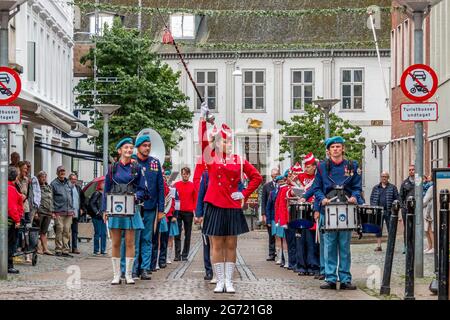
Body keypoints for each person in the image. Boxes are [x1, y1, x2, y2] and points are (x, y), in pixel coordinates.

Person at [200, 104, 263, 293]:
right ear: (218, 143)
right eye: (225, 142)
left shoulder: (238, 160)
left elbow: (257, 177)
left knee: (231, 244)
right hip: (215, 204)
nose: (228, 144)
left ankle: (229, 280)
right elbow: (203, 142)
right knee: (216, 244)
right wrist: (203, 121)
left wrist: (243, 193)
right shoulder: (211, 158)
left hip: (232, 205)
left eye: (230, 142)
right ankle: (219, 280)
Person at [309, 136, 363, 290]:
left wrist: (354, 196)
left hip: (346, 208)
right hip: (328, 208)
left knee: (345, 246)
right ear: (328, 150)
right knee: (330, 245)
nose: (336, 149)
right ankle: (331, 277)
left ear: (343, 149)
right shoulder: (321, 167)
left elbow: (357, 187)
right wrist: (321, 199)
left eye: (338, 147)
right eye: (333, 147)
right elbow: (316, 188)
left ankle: (345, 278)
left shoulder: (352, 166)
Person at [103, 137, 146, 285]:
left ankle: (128, 274)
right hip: (115, 208)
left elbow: (142, 189)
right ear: (120, 150)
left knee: (130, 242)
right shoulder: (112, 168)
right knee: (115, 243)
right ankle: (116, 275)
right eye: (126, 148)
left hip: (130, 207)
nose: (129, 150)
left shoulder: (136, 168)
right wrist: (105, 209)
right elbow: (106, 190)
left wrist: (136, 196)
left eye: (130, 148)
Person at [122, 135, 164, 280]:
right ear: (138, 147)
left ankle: (145, 268)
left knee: (147, 238)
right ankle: (132, 269)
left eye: (149, 145)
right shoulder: (131, 161)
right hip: (134, 206)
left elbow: (160, 187)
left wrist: (161, 210)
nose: (147, 148)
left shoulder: (155, 163)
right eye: (144, 145)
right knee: (133, 239)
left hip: (151, 206)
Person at [295, 153, 320, 277]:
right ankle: (301, 265)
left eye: (309, 166)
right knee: (301, 239)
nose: (306, 168)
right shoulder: (300, 177)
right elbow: (291, 187)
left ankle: (313, 265)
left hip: (313, 210)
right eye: (305, 166)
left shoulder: (318, 177)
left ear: (314, 167)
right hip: (301, 210)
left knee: (312, 241)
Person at [369, 171, 400, 252]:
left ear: (388, 178)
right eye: (382, 176)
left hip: (389, 211)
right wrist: (373, 207)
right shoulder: (376, 188)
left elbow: (397, 198)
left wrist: (394, 209)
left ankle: (391, 246)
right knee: (378, 229)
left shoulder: (392, 187)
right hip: (378, 212)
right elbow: (372, 198)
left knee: (391, 229)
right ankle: (379, 246)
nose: (384, 178)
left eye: (385, 176)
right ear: (380, 177)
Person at [174, 167, 197, 261]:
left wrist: (196, 214)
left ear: (189, 175)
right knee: (177, 233)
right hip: (178, 212)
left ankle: (185, 254)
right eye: (183, 174)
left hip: (188, 212)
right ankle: (177, 255)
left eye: (187, 174)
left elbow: (195, 200)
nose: (185, 175)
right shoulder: (176, 185)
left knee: (188, 234)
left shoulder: (192, 186)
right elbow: (173, 198)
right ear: (181, 174)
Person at [51, 166, 75, 257]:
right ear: (57, 173)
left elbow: (71, 196)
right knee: (59, 229)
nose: (62, 172)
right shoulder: (53, 184)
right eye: (60, 171)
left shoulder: (68, 183)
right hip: (58, 211)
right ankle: (58, 249)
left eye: (63, 171)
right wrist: (52, 211)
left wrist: (72, 209)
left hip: (69, 211)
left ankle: (65, 250)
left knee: (67, 230)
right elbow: (51, 198)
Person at [7, 166, 24, 274]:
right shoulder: (11, 188)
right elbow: (12, 207)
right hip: (11, 219)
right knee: (11, 242)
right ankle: (8, 265)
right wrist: (17, 220)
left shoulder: (8, 187)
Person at [261, 168, 280, 261]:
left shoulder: (281, 185)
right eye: (274, 175)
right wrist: (263, 214)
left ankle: (279, 253)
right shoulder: (266, 186)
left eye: (277, 174)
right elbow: (263, 201)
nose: (275, 176)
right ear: (271, 176)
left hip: (279, 214)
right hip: (270, 213)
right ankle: (272, 253)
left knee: (279, 234)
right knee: (271, 234)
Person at [36, 171, 54, 255]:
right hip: (40, 212)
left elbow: (51, 200)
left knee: (44, 231)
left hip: (48, 212)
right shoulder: (36, 187)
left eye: (44, 177)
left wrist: (52, 211)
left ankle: (45, 248)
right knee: (37, 231)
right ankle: (38, 248)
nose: (43, 178)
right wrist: (35, 212)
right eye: (42, 177)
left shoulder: (49, 187)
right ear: (38, 178)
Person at [68, 173, 86, 254]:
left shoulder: (78, 188)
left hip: (76, 213)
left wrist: (82, 208)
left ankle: (74, 247)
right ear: (69, 179)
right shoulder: (67, 188)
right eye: (72, 179)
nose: (74, 181)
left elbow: (82, 199)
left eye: (75, 179)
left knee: (75, 231)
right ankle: (67, 247)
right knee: (67, 231)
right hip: (68, 213)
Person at [400, 164, 416, 253]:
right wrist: (403, 207)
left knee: (416, 227)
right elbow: (401, 196)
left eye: (413, 170)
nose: (411, 171)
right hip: (406, 209)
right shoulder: (404, 183)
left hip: (416, 209)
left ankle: (415, 245)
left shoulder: (419, 181)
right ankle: (406, 246)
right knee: (407, 228)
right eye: (410, 170)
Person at [89, 179, 107, 255]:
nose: (105, 185)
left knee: (104, 233)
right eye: (103, 183)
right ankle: (96, 250)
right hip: (97, 216)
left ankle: (103, 250)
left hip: (103, 216)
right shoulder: (96, 193)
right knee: (98, 233)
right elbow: (92, 204)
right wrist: (97, 212)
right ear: (100, 185)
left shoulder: (105, 194)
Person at [423, 177, 434, 254]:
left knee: (430, 229)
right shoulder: (427, 187)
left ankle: (433, 247)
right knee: (427, 230)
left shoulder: (431, 188)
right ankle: (430, 246)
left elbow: (425, 200)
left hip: (429, 211)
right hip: (427, 210)